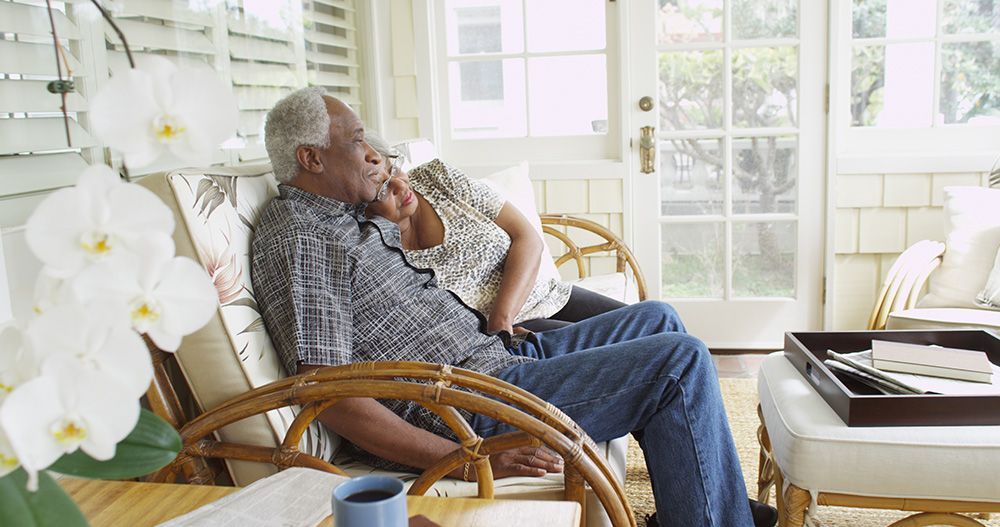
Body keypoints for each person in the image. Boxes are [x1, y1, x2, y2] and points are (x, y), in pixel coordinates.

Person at [251, 87, 771, 527]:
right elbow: (331, 393)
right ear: (311, 159)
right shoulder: (303, 235)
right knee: (679, 362)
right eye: (356, 140)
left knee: (657, 317)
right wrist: (462, 456)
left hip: (497, 360)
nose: (373, 153)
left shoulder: (347, 218)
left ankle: (700, 505)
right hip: (470, 406)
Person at [362, 132, 626, 334]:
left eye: (393, 167)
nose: (399, 183)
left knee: (661, 322)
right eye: (383, 188)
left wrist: (502, 318)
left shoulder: (436, 178)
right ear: (362, 206)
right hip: (508, 339)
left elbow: (528, 237)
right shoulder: (376, 251)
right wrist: (500, 332)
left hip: (543, 297)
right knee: (650, 359)